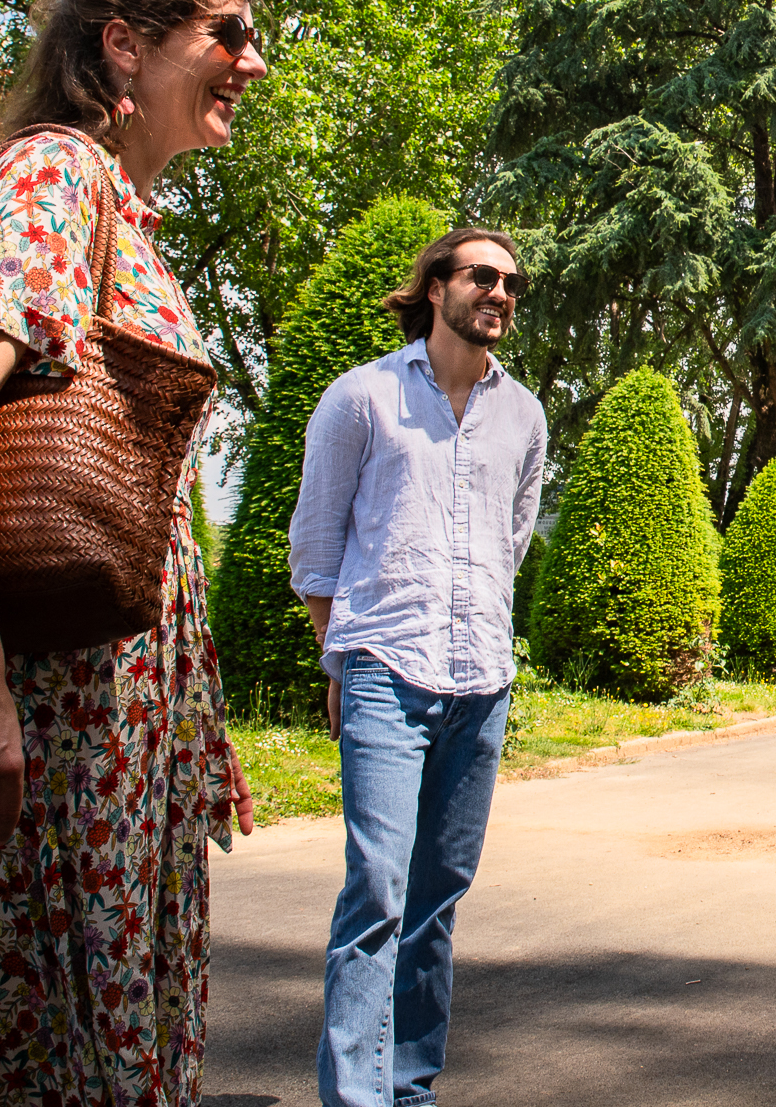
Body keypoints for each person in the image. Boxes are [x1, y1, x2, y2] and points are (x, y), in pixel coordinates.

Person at [0, 0, 264, 1104]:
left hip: (114, 722)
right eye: (227, 34)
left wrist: (190, 730)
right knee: (30, 1052)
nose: (254, 63)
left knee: (89, 1045)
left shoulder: (122, 209)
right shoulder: (57, 174)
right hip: (45, 718)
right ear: (123, 44)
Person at [288, 227, 547, 1107]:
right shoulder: (362, 398)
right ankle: (356, 1097)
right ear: (436, 288)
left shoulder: (525, 414)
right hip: (385, 674)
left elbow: (508, 545)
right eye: (483, 276)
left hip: (481, 681)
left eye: (511, 282)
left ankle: (408, 1084)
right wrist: (344, 658)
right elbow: (317, 548)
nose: (500, 292)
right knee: (378, 891)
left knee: (437, 900)